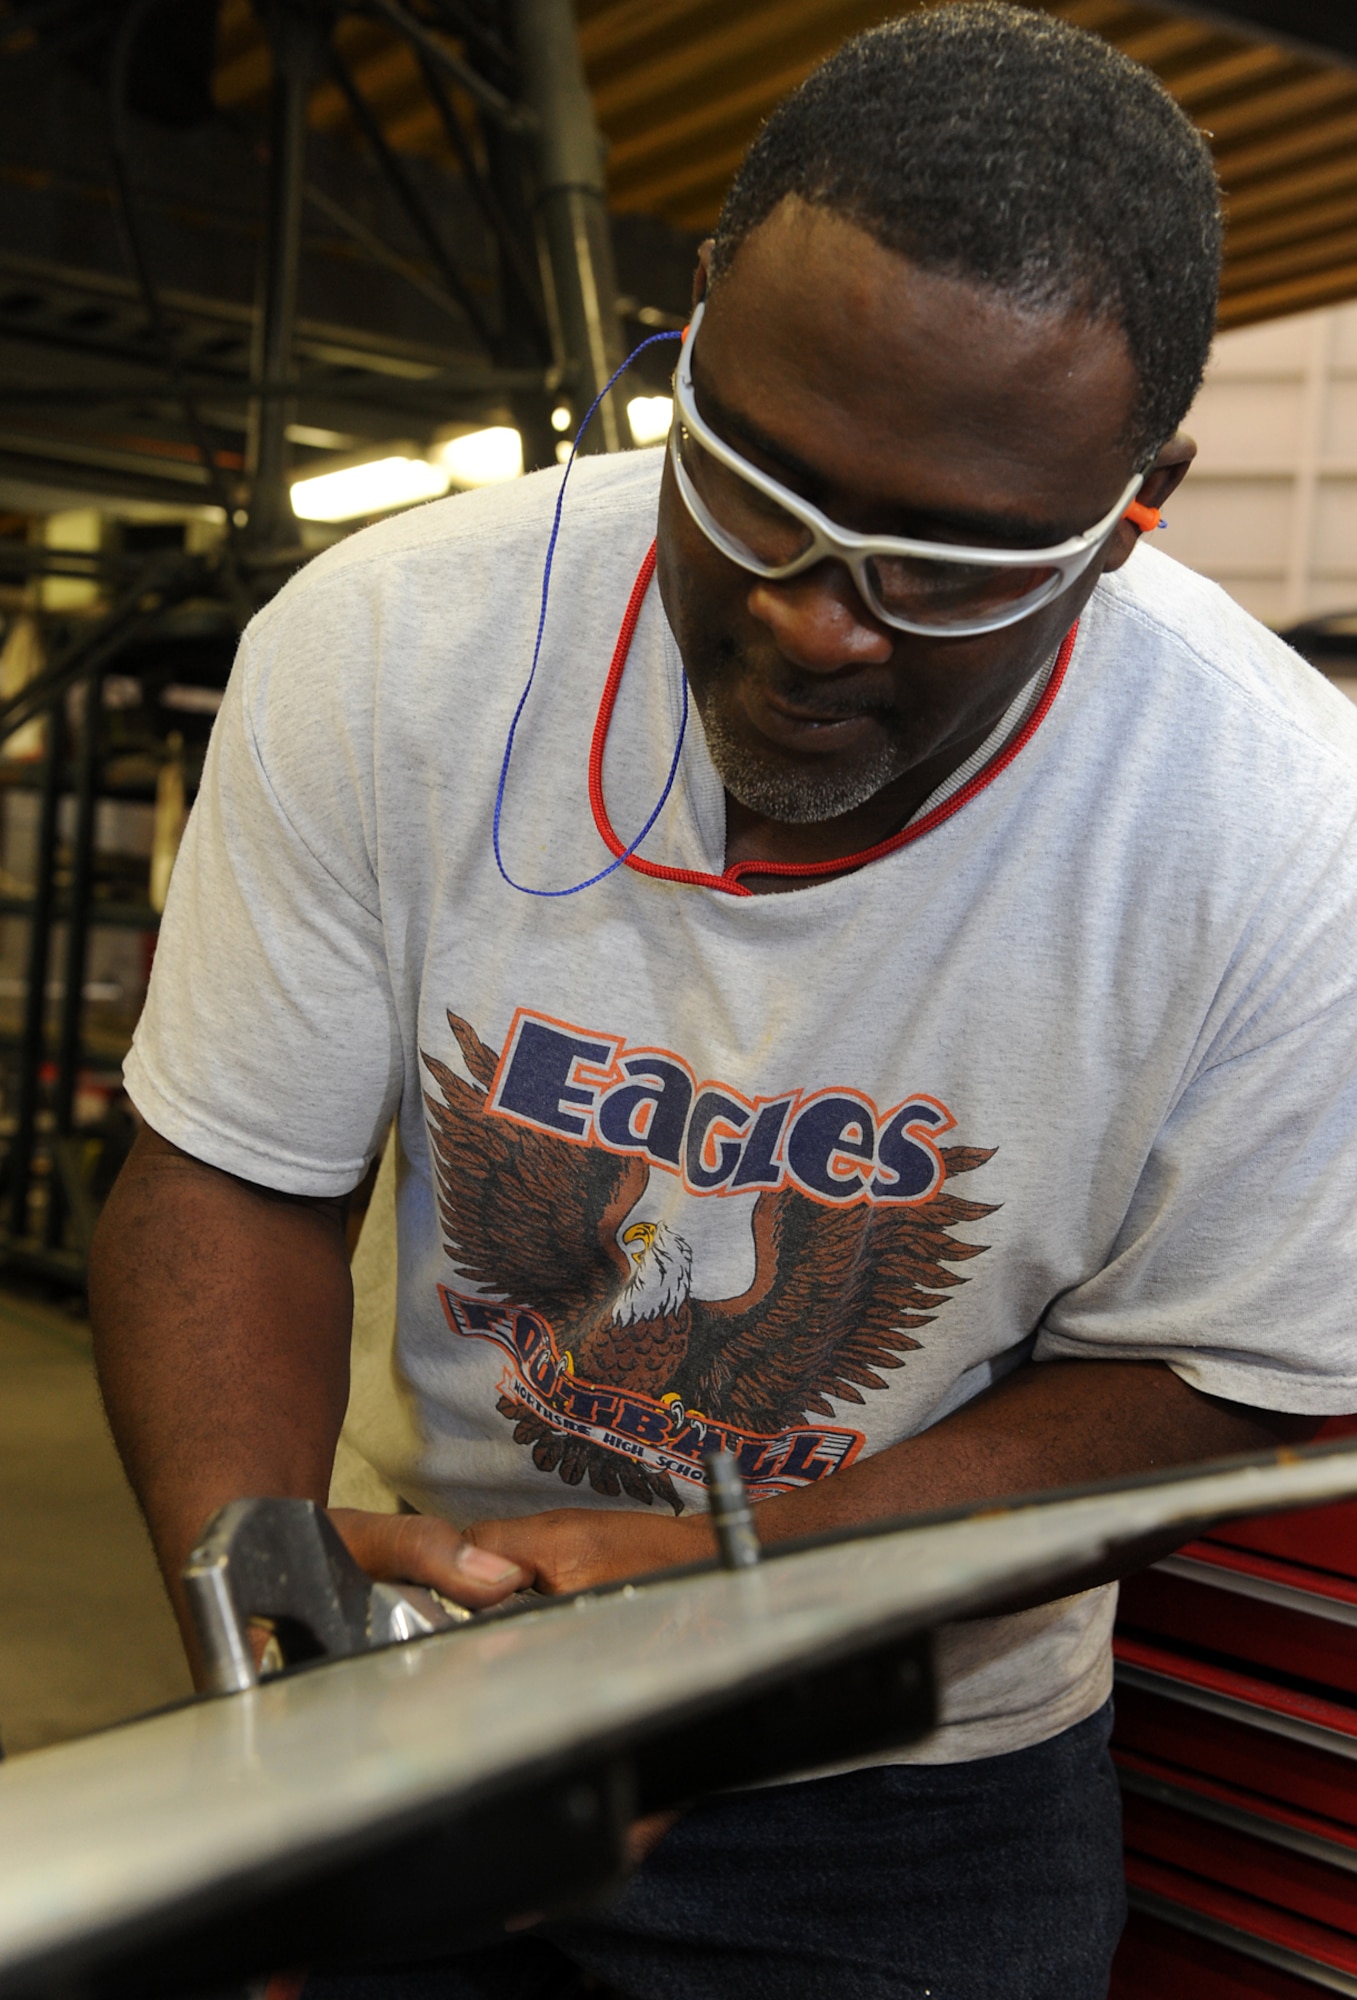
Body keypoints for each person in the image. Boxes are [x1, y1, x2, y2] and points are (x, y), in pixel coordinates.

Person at [90, 6, 1357, 1997]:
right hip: (442, 1693)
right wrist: (265, 1589)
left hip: (919, 1802)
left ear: (1138, 495)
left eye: (945, 564)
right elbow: (233, 1173)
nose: (813, 617)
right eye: (755, 486)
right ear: (697, 329)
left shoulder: (1284, 830)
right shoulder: (391, 646)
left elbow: (1216, 1380)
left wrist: (743, 1590)